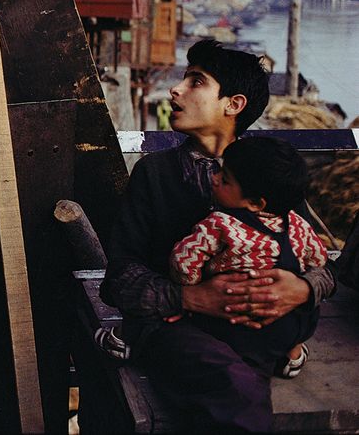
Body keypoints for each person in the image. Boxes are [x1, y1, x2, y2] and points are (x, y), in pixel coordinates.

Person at [100, 39, 336, 431]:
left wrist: (301, 289)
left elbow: (320, 263)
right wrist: (190, 296)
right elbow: (119, 279)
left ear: (233, 105)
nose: (176, 89)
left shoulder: (268, 170)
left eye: (196, 82)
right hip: (179, 327)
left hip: (255, 328)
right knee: (236, 387)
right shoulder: (154, 174)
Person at [169, 136, 328, 381]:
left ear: (255, 203)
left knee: (199, 329)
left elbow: (184, 261)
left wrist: (192, 287)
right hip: (289, 325)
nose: (214, 178)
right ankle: (293, 353)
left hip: (235, 324)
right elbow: (318, 259)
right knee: (304, 313)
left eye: (225, 179)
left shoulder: (219, 225)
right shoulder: (297, 224)